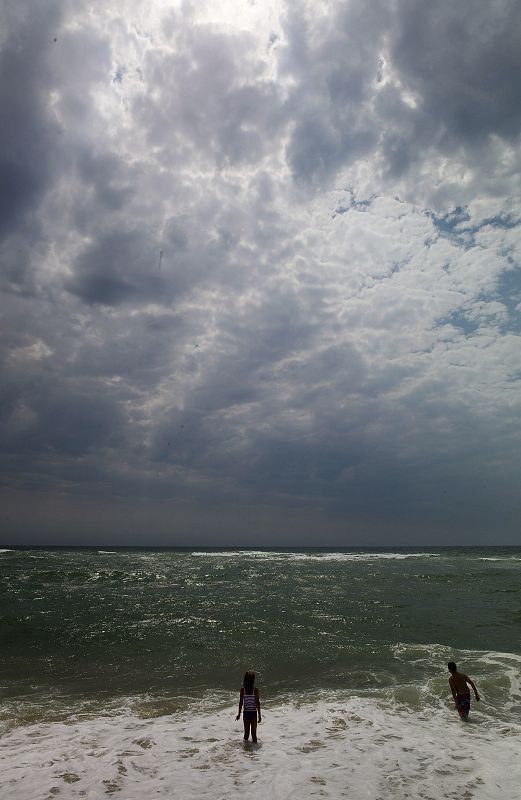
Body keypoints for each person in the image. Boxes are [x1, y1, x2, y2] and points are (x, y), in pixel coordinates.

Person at [236, 670, 261, 742]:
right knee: (254, 735)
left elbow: (241, 703)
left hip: (246, 713)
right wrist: (259, 714)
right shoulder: (255, 690)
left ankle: (245, 749)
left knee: (246, 734)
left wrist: (239, 714)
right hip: (253, 713)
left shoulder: (243, 690)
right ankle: (255, 749)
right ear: (253, 680)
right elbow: (257, 703)